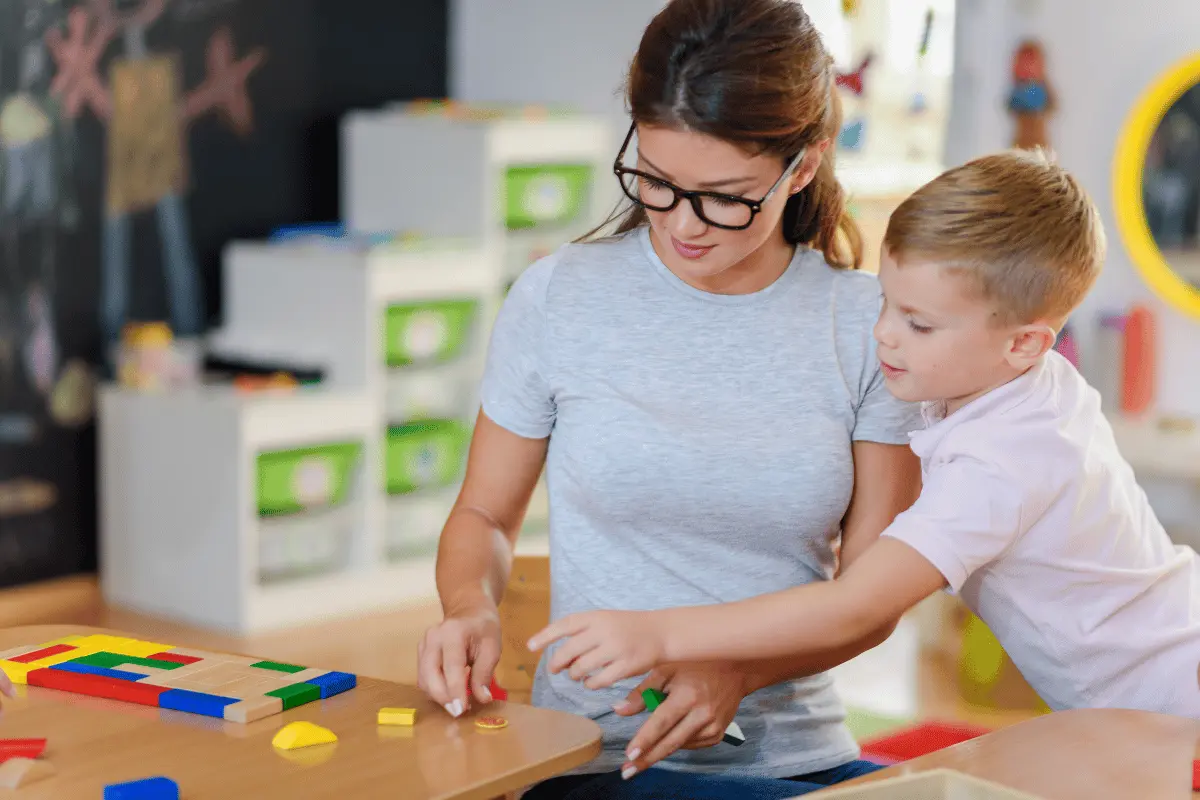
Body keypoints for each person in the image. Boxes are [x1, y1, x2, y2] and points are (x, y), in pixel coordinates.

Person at [416, 0, 924, 796]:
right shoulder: (561, 296)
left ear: (804, 165)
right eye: (656, 181)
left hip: (793, 760)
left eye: (725, 196)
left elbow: (871, 597)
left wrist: (737, 672)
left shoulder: (868, 327)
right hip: (596, 759)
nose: (682, 225)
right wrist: (467, 607)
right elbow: (483, 516)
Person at [529, 149, 1200, 729]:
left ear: (1024, 343)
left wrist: (657, 631)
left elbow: (856, 604)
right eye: (886, 302)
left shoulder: (998, 468)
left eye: (918, 323)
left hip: (1172, 707)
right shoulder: (1022, 383)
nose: (883, 334)